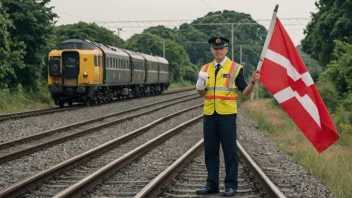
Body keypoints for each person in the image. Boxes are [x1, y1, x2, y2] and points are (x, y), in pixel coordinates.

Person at [195, 36, 260, 196]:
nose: (218, 51)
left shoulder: (235, 68)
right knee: (210, 151)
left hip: (227, 116)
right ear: (211, 50)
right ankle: (212, 185)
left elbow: (244, 92)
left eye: (221, 48)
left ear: (226, 50)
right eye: (215, 48)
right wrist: (199, 87)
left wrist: (252, 82)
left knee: (230, 151)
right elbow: (202, 93)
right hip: (209, 114)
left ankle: (231, 186)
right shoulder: (205, 68)